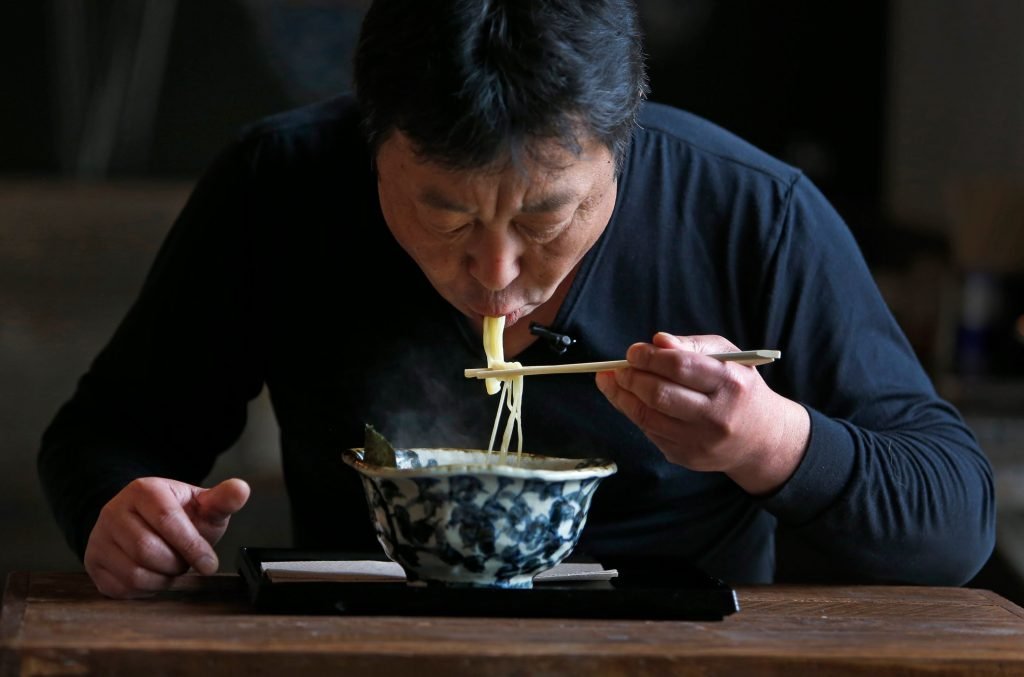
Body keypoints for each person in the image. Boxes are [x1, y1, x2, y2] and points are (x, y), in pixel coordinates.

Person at [39, 0, 994, 600]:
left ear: (625, 147)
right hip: (362, 653)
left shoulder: (750, 210)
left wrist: (770, 441)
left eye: (547, 217)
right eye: (444, 214)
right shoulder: (279, 184)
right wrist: (121, 515)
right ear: (372, 145)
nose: (496, 272)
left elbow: (955, 521)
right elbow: (104, 433)